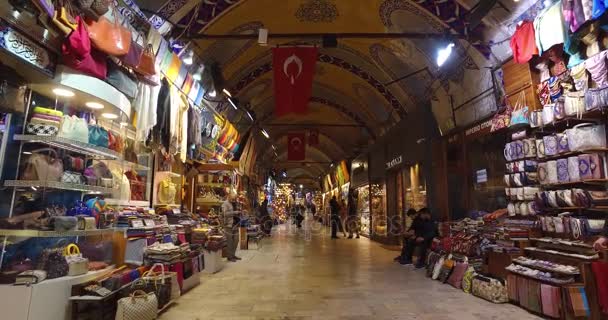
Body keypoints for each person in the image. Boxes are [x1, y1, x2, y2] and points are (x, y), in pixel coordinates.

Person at [221, 193, 241, 262]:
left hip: (235, 224)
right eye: (232, 197)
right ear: (228, 197)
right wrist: (235, 212)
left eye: (234, 198)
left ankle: (233, 254)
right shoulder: (225, 204)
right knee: (229, 241)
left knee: (236, 240)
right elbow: (225, 214)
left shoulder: (233, 203)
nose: (233, 199)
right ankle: (229, 256)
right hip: (228, 225)